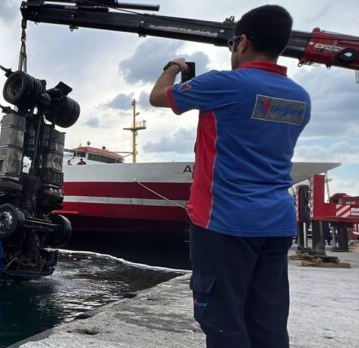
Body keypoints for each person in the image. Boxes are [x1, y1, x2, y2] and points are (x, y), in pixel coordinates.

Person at [148, 5, 308, 348]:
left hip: (223, 223)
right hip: (277, 223)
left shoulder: (224, 84)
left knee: (222, 321)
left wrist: (173, 67)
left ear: (243, 42)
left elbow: (157, 97)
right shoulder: (300, 98)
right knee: (267, 322)